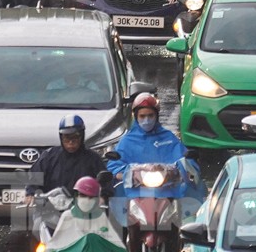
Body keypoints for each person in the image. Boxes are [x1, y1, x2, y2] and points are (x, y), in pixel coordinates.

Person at [107, 93, 191, 251]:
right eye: (142, 116)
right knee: (122, 226)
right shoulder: (127, 141)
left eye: (150, 115)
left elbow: (185, 159)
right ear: (136, 117)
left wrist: (183, 168)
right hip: (136, 195)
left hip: (167, 193)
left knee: (177, 228)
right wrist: (125, 173)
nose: (146, 120)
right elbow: (114, 165)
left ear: (157, 115)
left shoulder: (168, 138)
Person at [25, 116, 105, 201]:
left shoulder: (93, 159)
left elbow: (105, 181)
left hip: (83, 209)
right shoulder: (49, 156)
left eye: (75, 138)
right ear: (61, 137)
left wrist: (103, 196)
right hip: (51, 208)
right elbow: (35, 175)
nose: (70, 142)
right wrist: (31, 193)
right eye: (66, 138)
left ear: (82, 136)